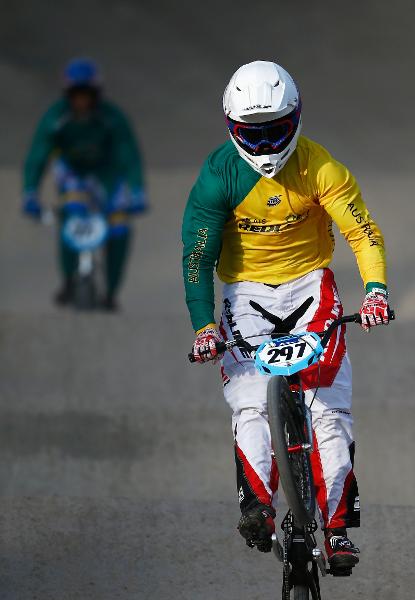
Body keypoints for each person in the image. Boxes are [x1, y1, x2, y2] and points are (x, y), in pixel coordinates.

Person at [182, 61, 390, 571]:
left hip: (311, 284)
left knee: (330, 413)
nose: (266, 145)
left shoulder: (322, 167)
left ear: (296, 118)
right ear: (231, 128)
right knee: (251, 405)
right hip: (246, 292)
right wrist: (203, 326)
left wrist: (376, 290)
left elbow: (363, 233)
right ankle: (256, 506)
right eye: (251, 134)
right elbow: (197, 255)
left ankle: (338, 528)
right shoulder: (217, 175)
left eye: (277, 130)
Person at [22, 58, 148, 310]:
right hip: (73, 174)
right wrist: (30, 192)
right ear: (67, 95)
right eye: (75, 94)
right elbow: (38, 155)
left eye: (86, 94)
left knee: (120, 226)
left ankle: (111, 293)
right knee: (71, 216)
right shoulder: (55, 117)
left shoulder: (112, 118)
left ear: (96, 95)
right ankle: (69, 280)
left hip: (108, 176)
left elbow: (129, 154)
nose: (81, 101)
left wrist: (136, 191)